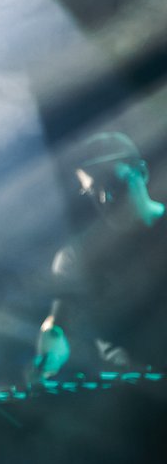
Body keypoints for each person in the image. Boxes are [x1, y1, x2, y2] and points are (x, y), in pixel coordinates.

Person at [32, 131, 166, 380]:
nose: (105, 198)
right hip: (126, 397)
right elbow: (59, 322)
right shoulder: (75, 257)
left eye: (113, 183)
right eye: (94, 190)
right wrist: (52, 341)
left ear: (142, 172)